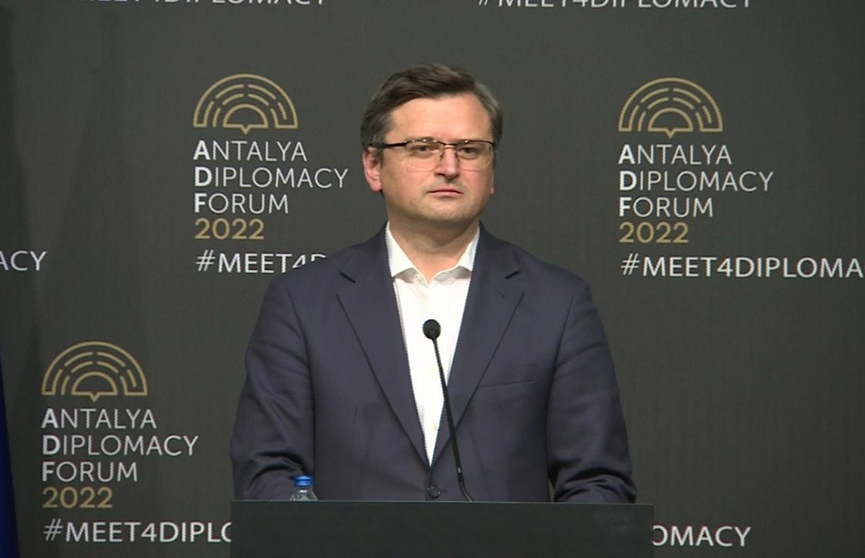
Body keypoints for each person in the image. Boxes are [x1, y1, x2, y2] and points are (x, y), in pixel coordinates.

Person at [230, 63, 635, 503]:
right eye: (423, 148)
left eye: (470, 149)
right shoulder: (303, 303)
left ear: (492, 169)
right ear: (373, 165)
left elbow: (598, 484)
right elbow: (267, 472)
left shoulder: (557, 304)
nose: (449, 167)